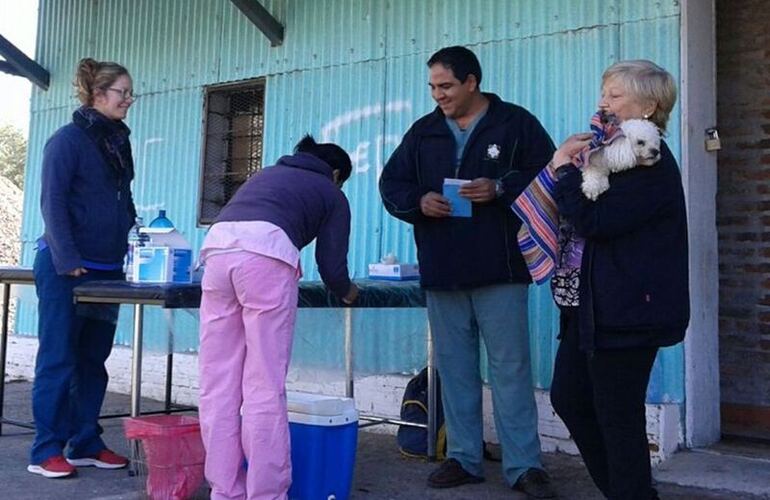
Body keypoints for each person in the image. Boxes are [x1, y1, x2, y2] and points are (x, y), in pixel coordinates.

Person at [379, 45, 557, 498]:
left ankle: (524, 466)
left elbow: (550, 175)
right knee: (454, 368)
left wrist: (500, 188)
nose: (438, 95)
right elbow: (391, 183)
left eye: (447, 86)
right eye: (433, 87)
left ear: (472, 82)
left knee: (510, 368)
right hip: (442, 268)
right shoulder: (423, 132)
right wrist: (419, 201)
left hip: (500, 268)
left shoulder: (515, 124)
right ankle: (463, 457)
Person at [548, 60, 689, 500]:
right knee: (570, 398)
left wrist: (564, 170)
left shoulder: (649, 159)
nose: (602, 103)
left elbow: (595, 219)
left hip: (628, 310)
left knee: (617, 417)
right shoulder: (611, 154)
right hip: (590, 306)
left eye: (614, 95)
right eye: (603, 93)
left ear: (647, 107)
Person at [198, 135, 359, 499]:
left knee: (218, 383)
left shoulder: (266, 174)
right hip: (266, 258)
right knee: (264, 386)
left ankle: (225, 492)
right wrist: (349, 292)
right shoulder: (331, 192)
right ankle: (267, 494)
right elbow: (332, 269)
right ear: (336, 173)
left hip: (217, 253)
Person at [28, 58, 137, 478]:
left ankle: (85, 442)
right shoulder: (66, 141)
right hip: (65, 268)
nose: (129, 100)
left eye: (130, 93)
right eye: (121, 92)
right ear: (97, 95)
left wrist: (128, 237)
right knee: (58, 359)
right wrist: (68, 258)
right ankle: (44, 450)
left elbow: (121, 199)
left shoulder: (117, 144)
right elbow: (52, 202)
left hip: (107, 269)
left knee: (93, 360)